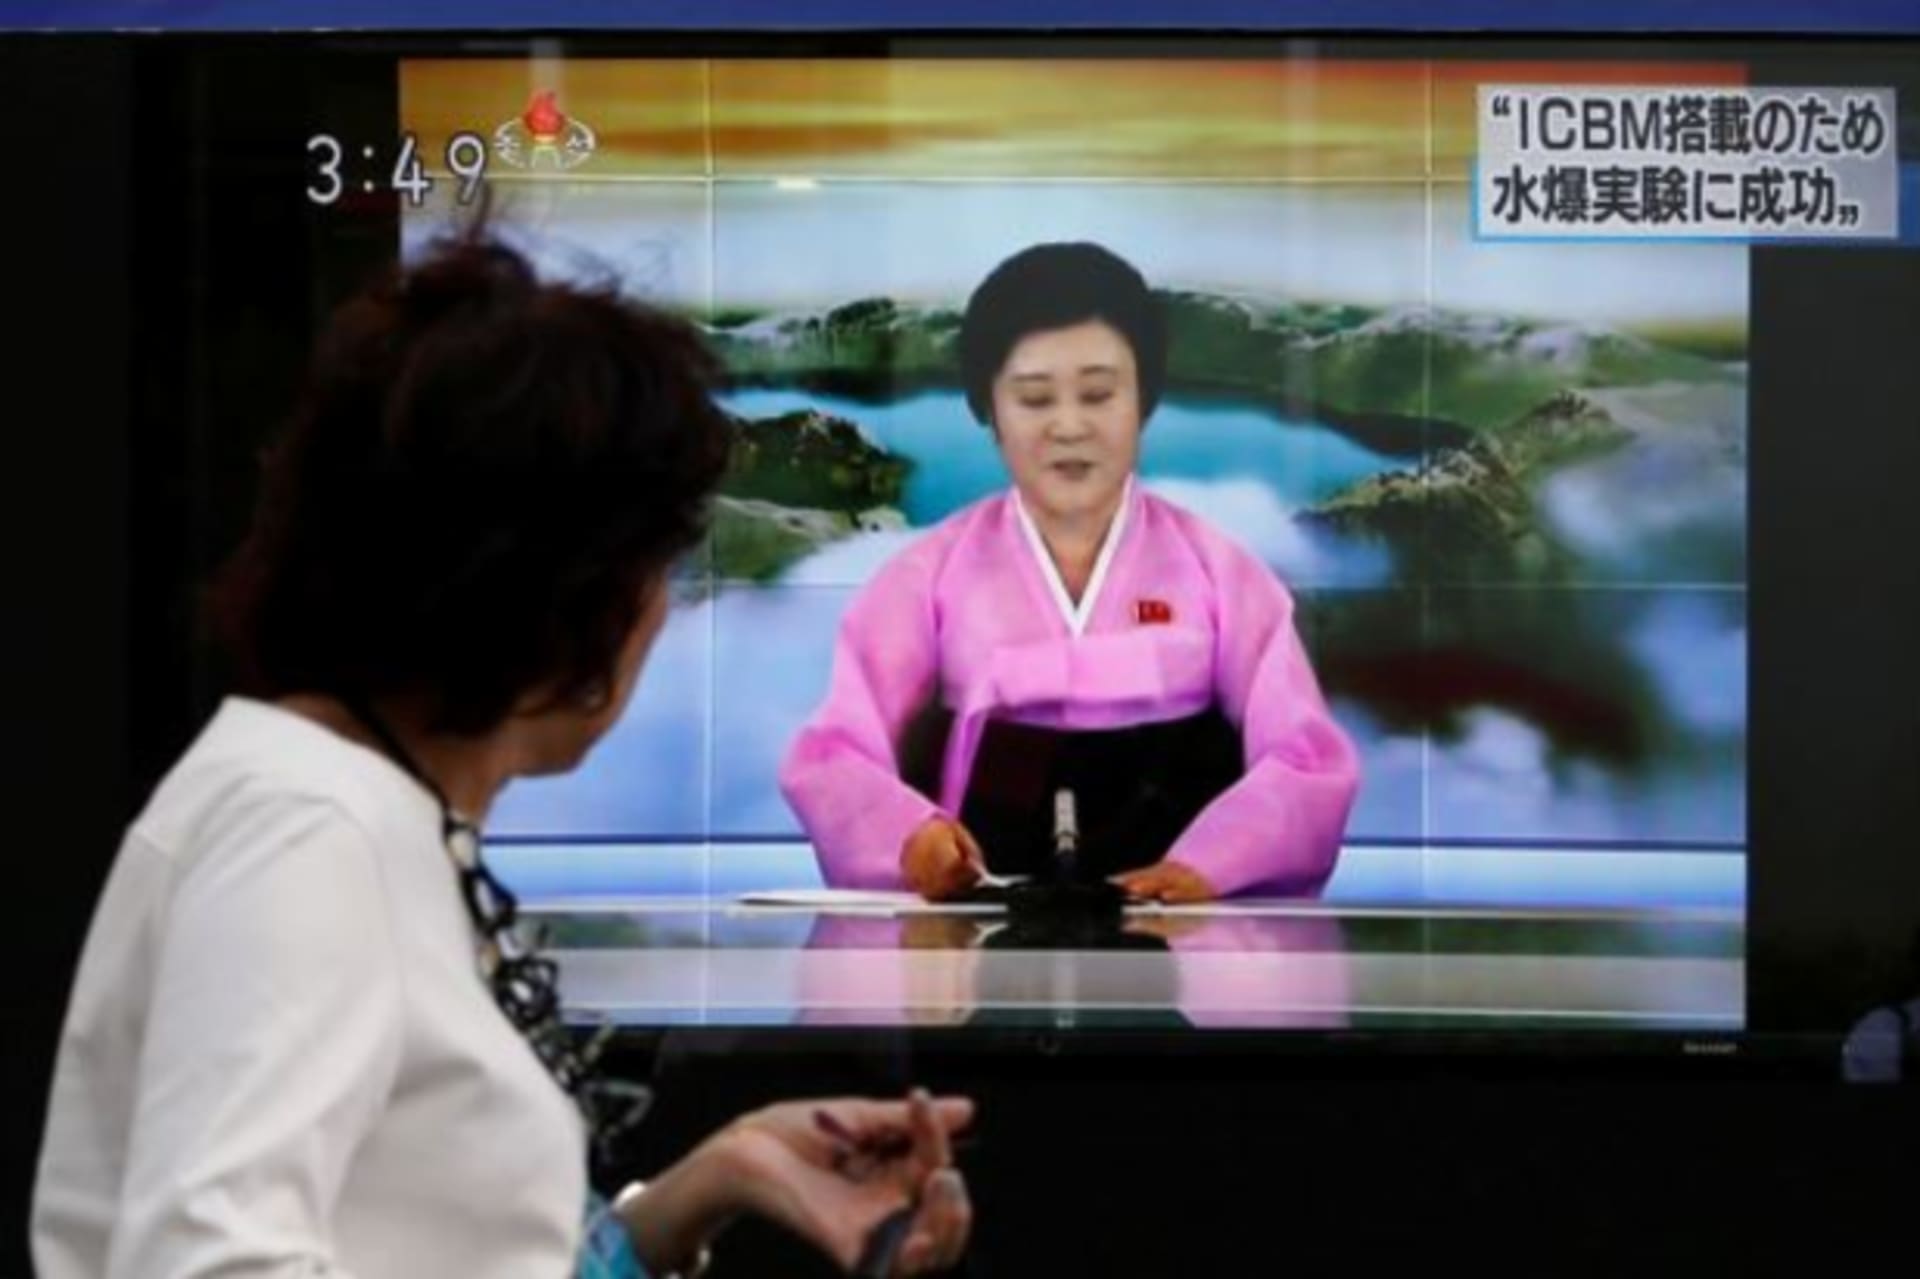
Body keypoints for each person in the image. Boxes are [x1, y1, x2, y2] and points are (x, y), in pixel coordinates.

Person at [32, 234, 972, 1279]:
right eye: (661, 563)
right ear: (564, 589)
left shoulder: (352, 805)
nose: (667, 609)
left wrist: (699, 1190)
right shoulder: (305, 831)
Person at [780, 242, 1359, 904]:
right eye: (1033, 399)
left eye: (1098, 393)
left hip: (1178, 925)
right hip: (983, 920)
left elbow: (1308, 758)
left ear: (1144, 399)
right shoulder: (923, 577)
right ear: (987, 410)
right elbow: (834, 751)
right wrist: (909, 838)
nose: (1069, 425)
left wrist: (1217, 860)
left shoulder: (1221, 573)